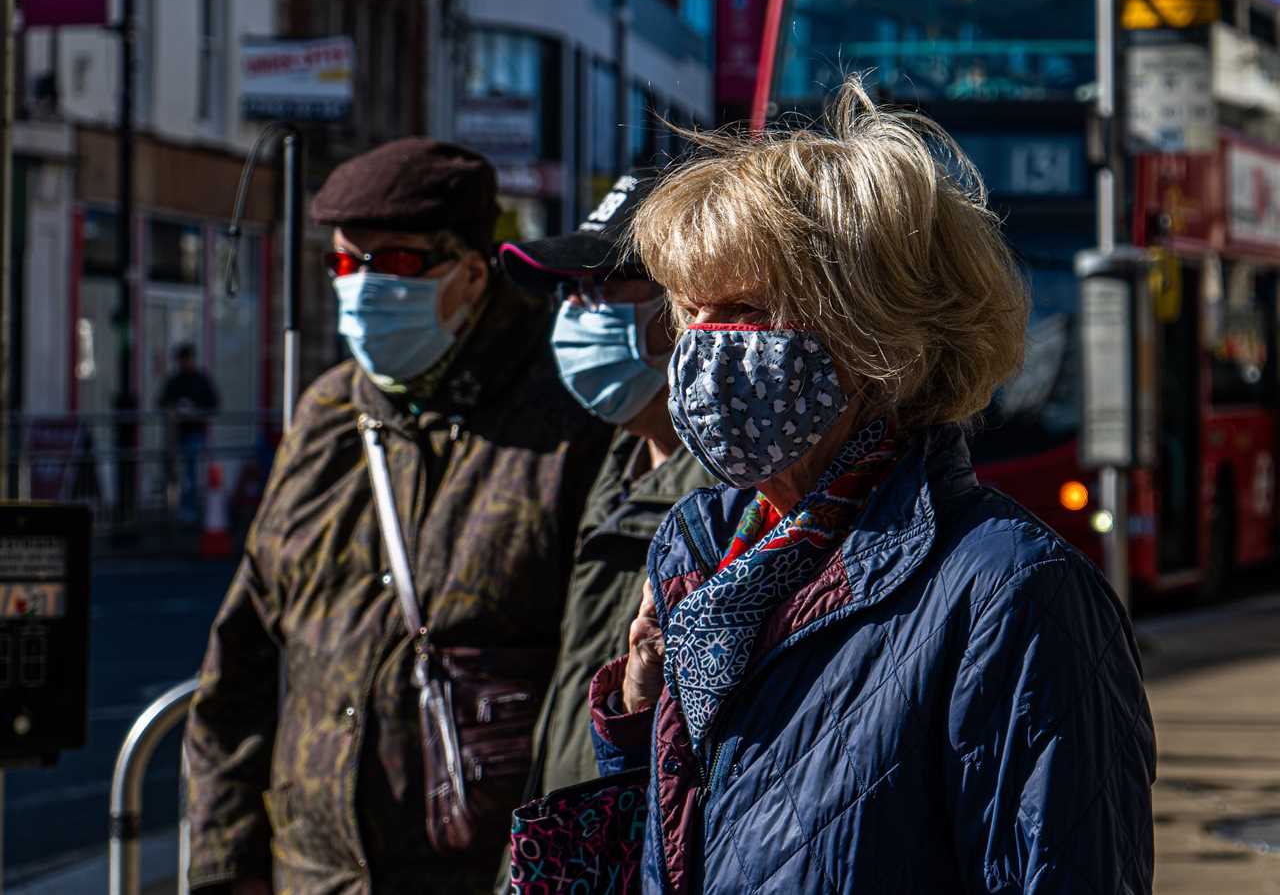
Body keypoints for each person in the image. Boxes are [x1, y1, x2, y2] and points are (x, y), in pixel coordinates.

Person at [590, 78, 1157, 893]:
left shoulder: (1014, 595)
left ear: (876, 332)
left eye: (745, 313)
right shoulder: (703, 545)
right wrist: (639, 718)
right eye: (690, 314)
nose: (706, 353)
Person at [184, 139, 611, 895]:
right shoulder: (326, 416)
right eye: (347, 264)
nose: (365, 286)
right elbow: (237, 673)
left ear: (473, 273)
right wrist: (226, 868)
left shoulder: (568, 420)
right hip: (314, 876)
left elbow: (598, 683)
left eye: (398, 264)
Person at [497, 174, 717, 797]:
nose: (575, 310)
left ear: (686, 307)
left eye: (602, 286)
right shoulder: (613, 463)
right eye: (571, 289)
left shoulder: (736, 501)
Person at [158, 342, 220, 523]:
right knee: (179, 474)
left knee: (190, 473)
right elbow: (162, 401)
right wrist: (176, 408)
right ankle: (179, 511)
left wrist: (196, 410)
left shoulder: (200, 380)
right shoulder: (175, 381)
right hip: (177, 435)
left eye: (186, 359)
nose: (184, 363)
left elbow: (213, 402)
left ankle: (189, 510)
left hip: (194, 433)